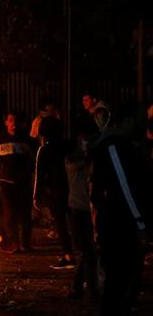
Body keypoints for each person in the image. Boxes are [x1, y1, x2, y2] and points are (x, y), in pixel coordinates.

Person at [89, 102, 148, 316]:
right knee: (118, 286)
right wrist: (140, 223)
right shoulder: (114, 149)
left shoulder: (122, 147)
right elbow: (125, 188)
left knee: (124, 286)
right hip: (119, 228)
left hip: (119, 226)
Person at [0, 112, 35, 253]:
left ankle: (25, 243)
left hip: (23, 181)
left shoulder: (26, 141)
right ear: (6, 122)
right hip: (5, 181)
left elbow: (33, 162)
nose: (13, 124)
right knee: (9, 214)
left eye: (16, 120)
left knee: (25, 213)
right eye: (10, 120)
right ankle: (13, 243)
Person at [33, 116, 74, 269]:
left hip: (56, 191)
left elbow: (39, 174)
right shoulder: (68, 146)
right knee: (76, 223)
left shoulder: (44, 150)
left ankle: (68, 255)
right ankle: (83, 255)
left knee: (62, 224)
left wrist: (36, 196)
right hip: (74, 189)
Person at [65, 129, 98, 302]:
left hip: (89, 210)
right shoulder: (73, 158)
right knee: (88, 253)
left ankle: (76, 289)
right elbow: (74, 166)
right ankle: (90, 292)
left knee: (89, 253)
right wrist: (88, 157)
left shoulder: (93, 159)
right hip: (77, 210)